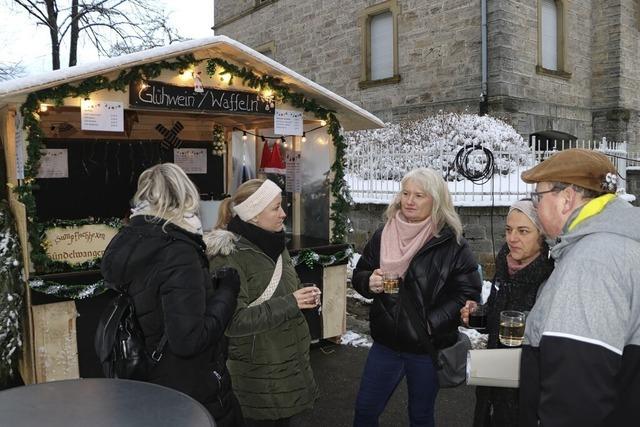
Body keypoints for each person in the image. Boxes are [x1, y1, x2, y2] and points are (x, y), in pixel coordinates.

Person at [101, 163, 243, 426]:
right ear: (187, 196)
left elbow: (155, 295)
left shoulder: (130, 239)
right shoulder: (179, 249)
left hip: (146, 376)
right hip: (189, 386)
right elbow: (189, 340)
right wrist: (227, 292)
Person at [517, 148, 640, 426]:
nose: (534, 206)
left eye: (538, 196)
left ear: (566, 199)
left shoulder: (592, 261)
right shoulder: (622, 243)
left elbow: (575, 397)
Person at [351, 167, 482, 427]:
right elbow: (360, 273)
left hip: (425, 347)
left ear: (436, 200)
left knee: (420, 416)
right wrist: (369, 281)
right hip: (386, 343)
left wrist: (430, 323)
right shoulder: (383, 233)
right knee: (364, 411)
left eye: (419, 195)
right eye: (406, 193)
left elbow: (467, 292)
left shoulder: (451, 243)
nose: (409, 201)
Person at [204, 178, 319, 427]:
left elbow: (288, 288)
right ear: (254, 216)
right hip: (256, 376)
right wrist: (292, 302)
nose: (284, 213)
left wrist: (303, 294)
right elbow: (233, 323)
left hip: (287, 364)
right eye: (276, 208)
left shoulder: (277, 244)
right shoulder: (228, 257)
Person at [460, 199, 554, 427]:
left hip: (527, 390)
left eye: (523, 231)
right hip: (493, 379)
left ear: (541, 235)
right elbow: (495, 313)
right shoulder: (506, 264)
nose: (512, 238)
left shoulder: (550, 277)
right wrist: (476, 315)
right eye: (509, 230)